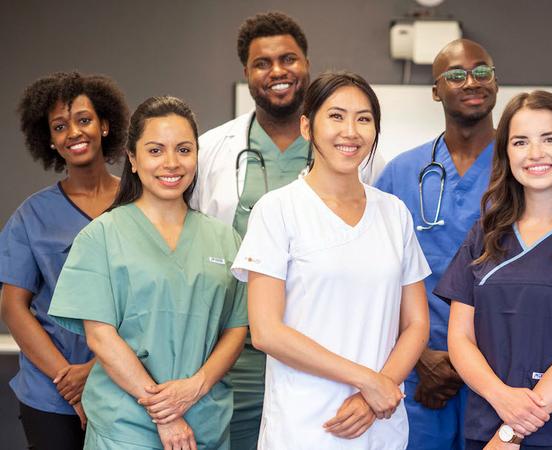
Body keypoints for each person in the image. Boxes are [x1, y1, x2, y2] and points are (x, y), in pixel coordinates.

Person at [231, 71, 431, 449]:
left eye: (364, 118)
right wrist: (368, 381)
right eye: (336, 116)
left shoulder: (394, 213)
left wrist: (378, 391)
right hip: (305, 425)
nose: (351, 131)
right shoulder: (278, 210)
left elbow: (417, 323)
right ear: (307, 126)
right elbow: (266, 331)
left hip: (379, 424)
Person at [48, 96, 248, 449]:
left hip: (205, 422)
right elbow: (100, 337)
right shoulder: (102, 236)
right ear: (133, 159)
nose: (172, 163)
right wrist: (166, 414)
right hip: (127, 427)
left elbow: (236, 328)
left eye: (184, 150)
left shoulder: (223, 238)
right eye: (155, 151)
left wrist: (196, 387)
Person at [435, 90, 552, 450]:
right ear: (506, 154)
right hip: (486, 426)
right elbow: (460, 339)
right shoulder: (484, 236)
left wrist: (511, 432)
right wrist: (501, 399)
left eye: (550, 139)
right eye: (520, 141)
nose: (535, 153)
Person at [189, 13, 312, 448]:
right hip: (233, 348)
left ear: (307, 63)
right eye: (262, 63)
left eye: (288, 59)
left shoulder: (346, 147)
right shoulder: (210, 150)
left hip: (315, 347)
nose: (277, 71)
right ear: (247, 73)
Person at [375, 38, 497, 450]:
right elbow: (373, 275)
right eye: (456, 74)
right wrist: (419, 354)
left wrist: (472, 363)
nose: (471, 82)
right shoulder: (401, 172)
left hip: (500, 370)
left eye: (482, 71)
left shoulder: (524, 169)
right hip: (419, 368)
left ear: (495, 83)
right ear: (435, 90)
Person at [0, 71, 128, 449]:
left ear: (105, 125)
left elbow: (151, 303)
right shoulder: (31, 215)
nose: (73, 132)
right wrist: (69, 382)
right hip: (51, 392)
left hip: (125, 381)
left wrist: (96, 371)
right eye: (60, 126)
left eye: (83, 120)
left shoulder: (139, 205)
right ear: (50, 141)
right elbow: (13, 307)